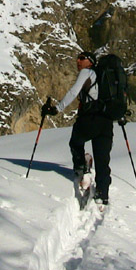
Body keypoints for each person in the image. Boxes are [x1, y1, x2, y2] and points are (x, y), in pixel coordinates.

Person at [42, 51, 113, 205]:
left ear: (90, 61)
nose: (78, 61)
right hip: (107, 121)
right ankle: (102, 195)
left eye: (82, 58)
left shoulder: (86, 72)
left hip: (90, 118)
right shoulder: (107, 78)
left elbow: (73, 91)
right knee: (103, 160)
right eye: (78, 58)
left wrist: (57, 109)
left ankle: (82, 170)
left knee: (76, 142)